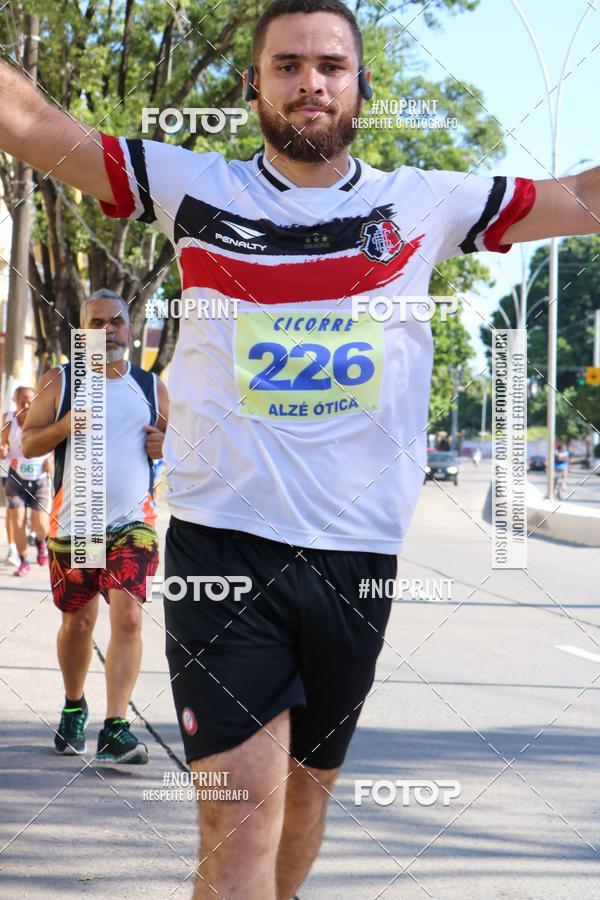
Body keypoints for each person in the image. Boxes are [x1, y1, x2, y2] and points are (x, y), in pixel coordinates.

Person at [2, 0, 600, 893]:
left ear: (361, 85)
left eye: (330, 65)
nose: (309, 82)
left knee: (306, 806)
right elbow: (37, 125)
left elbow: (583, 199)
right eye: (286, 66)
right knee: (240, 819)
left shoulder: (425, 202)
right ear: (254, 87)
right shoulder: (190, 184)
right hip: (224, 555)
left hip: (356, 561)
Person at [21, 290, 169, 764]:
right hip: (76, 522)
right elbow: (26, 444)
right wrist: (65, 427)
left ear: (129, 327)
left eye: (117, 322)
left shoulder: (150, 387)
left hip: (133, 521)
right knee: (78, 622)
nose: (108, 331)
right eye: (97, 323)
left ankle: (116, 728)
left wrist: (164, 444)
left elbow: (175, 444)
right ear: (82, 331)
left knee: (127, 617)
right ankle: (73, 705)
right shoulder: (60, 382)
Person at [0, 386, 51, 576]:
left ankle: (41, 542)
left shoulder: (44, 419)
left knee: (39, 524)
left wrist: (50, 460)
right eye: (23, 402)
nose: (27, 405)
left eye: (31, 401)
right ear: (15, 402)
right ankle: (23, 561)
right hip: (17, 477)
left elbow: (53, 443)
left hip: (40, 477)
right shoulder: (8, 420)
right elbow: (3, 445)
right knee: (18, 520)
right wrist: (2, 451)